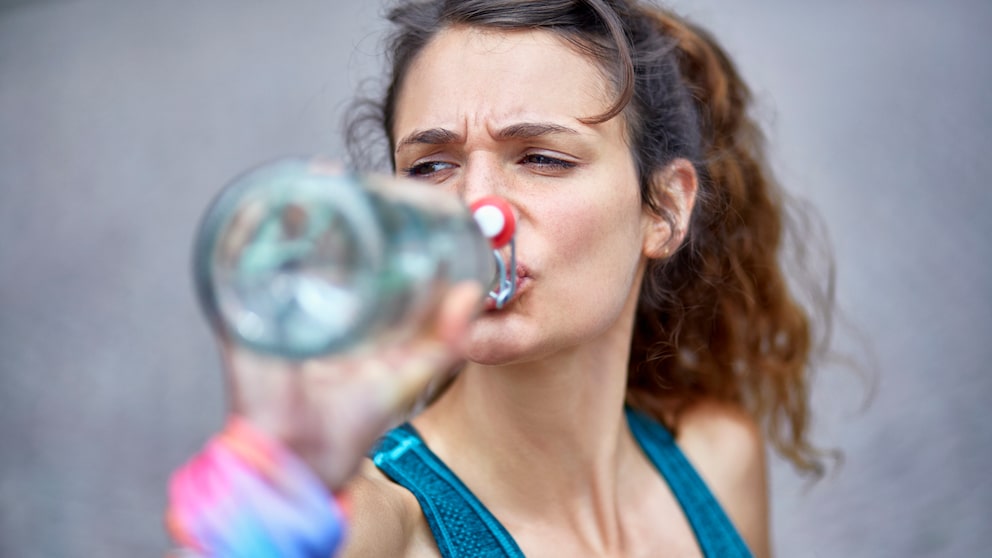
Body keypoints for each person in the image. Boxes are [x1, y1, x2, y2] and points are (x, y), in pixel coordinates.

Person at [167, 1, 834, 557]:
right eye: (431, 167)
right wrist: (276, 486)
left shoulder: (719, 461)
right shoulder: (389, 528)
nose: (478, 211)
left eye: (540, 158)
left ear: (664, 208)